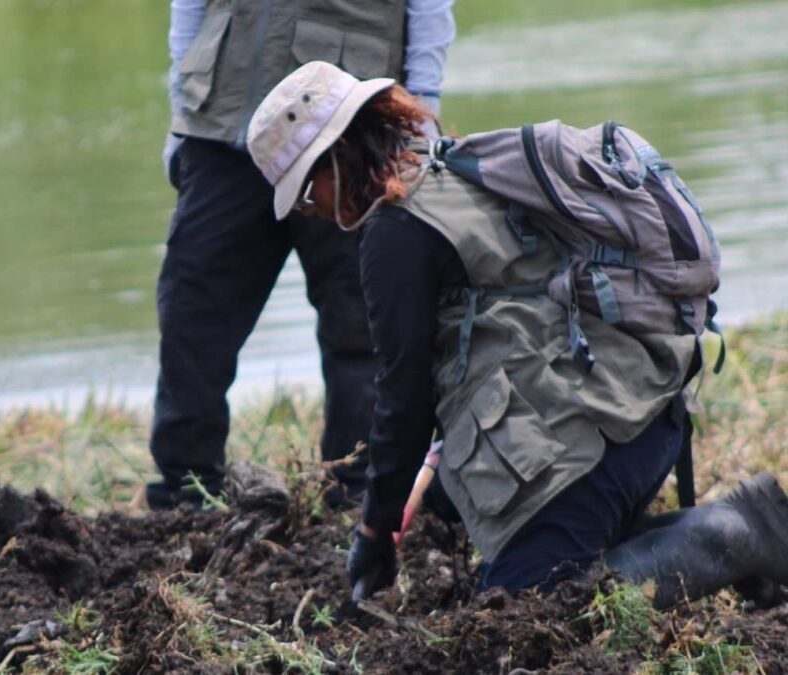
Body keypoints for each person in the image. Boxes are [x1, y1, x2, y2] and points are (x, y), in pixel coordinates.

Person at [245, 61, 788, 608]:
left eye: (307, 194)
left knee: (533, 607)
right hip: (642, 414)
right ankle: (722, 536)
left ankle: (730, 536)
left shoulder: (396, 234)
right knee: (542, 560)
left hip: (593, 443)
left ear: (336, 157)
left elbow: (402, 402)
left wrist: (373, 534)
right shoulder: (453, 171)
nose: (310, 213)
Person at [149, 0, 457, 509]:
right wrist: (182, 116)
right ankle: (186, 494)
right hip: (220, 129)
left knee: (363, 326)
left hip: (348, 137)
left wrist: (421, 120)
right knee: (190, 319)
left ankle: (358, 492)